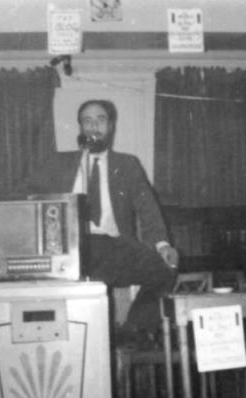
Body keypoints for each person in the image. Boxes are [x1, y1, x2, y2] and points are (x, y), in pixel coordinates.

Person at [23, 99, 178, 343]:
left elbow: (148, 208)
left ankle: (133, 330)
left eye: (100, 120)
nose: (94, 126)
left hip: (114, 247)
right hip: (70, 249)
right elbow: (28, 198)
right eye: (87, 121)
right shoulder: (59, 163)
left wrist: (163, 245)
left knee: (166, 269)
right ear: (80, 128)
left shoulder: (127, 164)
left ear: (111, 126)